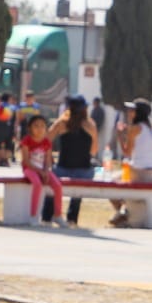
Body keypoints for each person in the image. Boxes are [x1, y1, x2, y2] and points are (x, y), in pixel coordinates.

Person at [48, 94, 99, 228]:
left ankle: (46, 216)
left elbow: (46, 140)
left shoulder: (61, 123)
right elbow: (94, 150)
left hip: (62, 167)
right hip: (84, 169)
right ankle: (72, 218)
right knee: (78, 190)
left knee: (50, 185)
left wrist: (50, 158)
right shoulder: (90, 124)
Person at [113, 98, 152, 228]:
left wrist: (120, 135)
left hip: (138, 173)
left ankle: (121, 210)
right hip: (151, 173)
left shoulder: (135, 128)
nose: (129, 113)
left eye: (132, 110)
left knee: (111, 182)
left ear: (138, 113)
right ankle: (123, 211)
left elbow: (126, 152)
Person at [20, 113, 66, 226]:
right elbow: (26, 161)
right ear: (30, 128)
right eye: (36, 126)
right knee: (37, 184)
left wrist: (46, 171)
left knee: (58, 185)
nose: (39, 129)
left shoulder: (47, 142)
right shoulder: (26, 141)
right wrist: (40, 172)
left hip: (43, 170)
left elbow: (48, 160)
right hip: (30, 169)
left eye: (42, 126)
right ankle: (34, 215)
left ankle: (57, 215)